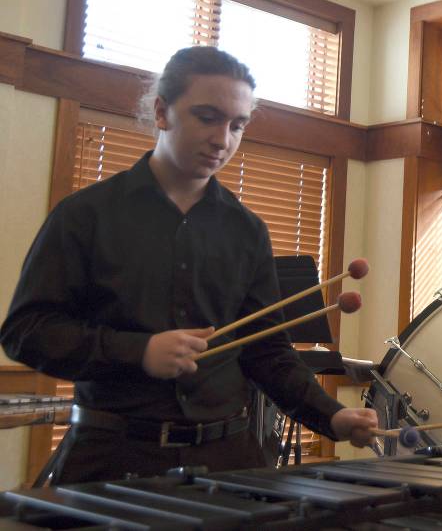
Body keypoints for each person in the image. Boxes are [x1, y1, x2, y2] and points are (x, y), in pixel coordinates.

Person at [1, 46, 377, 484]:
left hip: (228, 459)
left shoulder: (247, 231)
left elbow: (267, 351)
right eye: (207, 117)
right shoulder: (84, 215)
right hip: (111, 458)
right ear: (162, 112)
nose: (223, 139)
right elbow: (26, 333)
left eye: (237, 125)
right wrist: (138, 351)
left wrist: (332, 417)